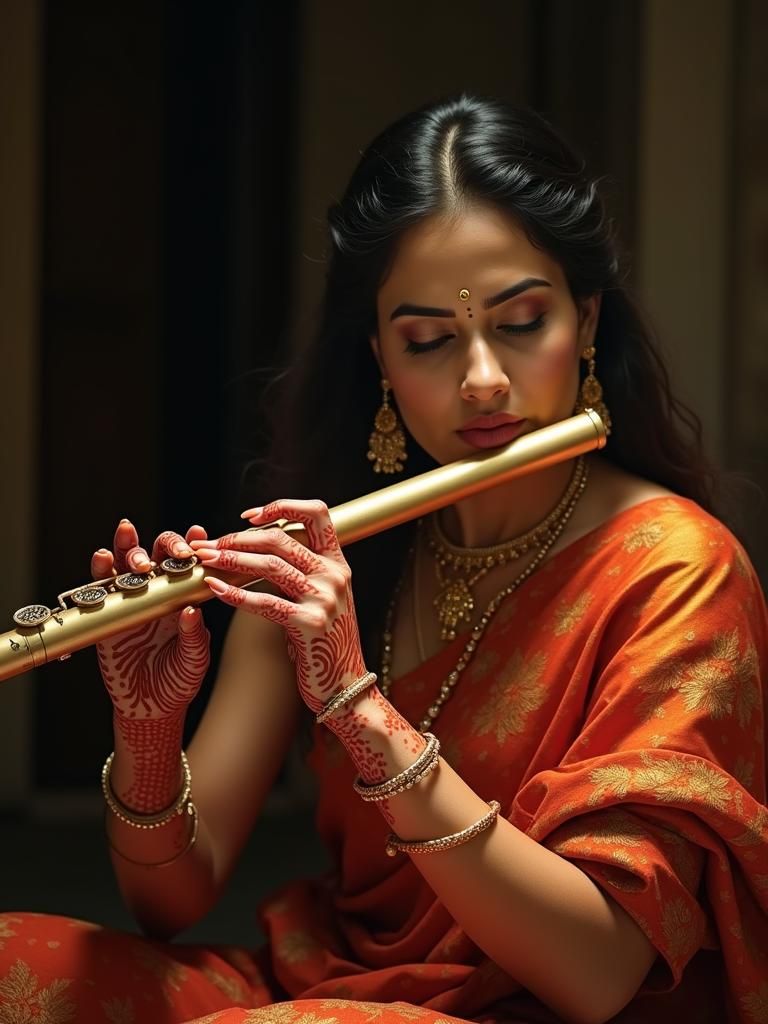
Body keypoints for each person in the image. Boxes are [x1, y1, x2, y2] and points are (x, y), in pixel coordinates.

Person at [1, 94, 766, 1024]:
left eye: (522, 323)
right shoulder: (332, 559)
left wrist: (359, 709)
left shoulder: (677, 570)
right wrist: (150, 730)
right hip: (338, 985)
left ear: (588, 320)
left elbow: (598, 971)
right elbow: (171, 903)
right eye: (431, 341)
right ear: (382, 361)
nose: (482, 377)